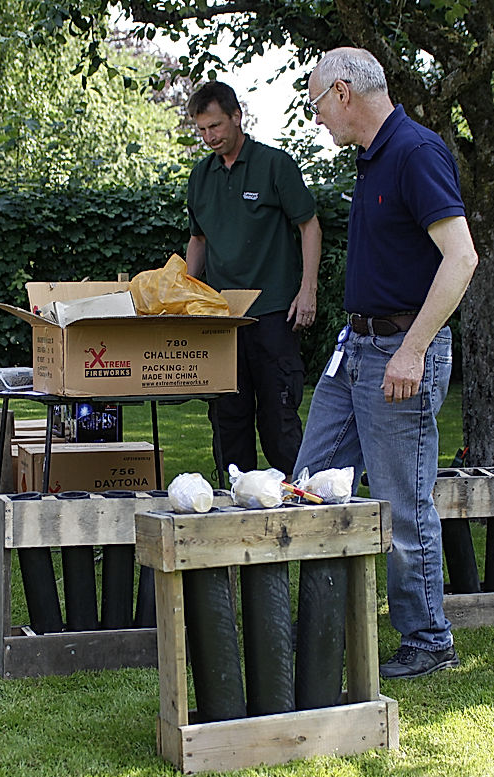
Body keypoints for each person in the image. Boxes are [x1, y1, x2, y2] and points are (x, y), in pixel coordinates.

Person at [295, 48, 478, 678]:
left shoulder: (415, 152)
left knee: (403, 504)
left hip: (400, 354)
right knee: (310, 484)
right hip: (354, 353)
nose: (317, 118)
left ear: (343, 92)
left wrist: (413, 349)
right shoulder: (372, 159)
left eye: (317, 103)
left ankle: (429, 639)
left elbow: (462, 259)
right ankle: (320, 626)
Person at [185, 81, 323, 480]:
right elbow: (198, 240)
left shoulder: (274, 165)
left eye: (216, 126)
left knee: (279, 421)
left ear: (236, 116)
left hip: (274, 312)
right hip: (220, 319)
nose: (210, 137)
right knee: (228, 420)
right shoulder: (201, 177)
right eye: (202, 130)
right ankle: (233, 506)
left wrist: (307, 289)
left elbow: (309, 225)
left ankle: (300, 506)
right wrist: (180, 294)